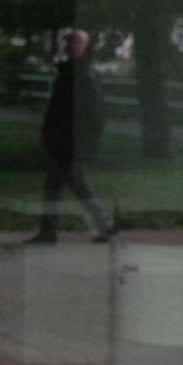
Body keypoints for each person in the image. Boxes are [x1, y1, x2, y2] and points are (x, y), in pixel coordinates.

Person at [28, 29, 115, 243]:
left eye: (75, 43)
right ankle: (102, 225)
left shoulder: (82, 75)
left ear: (85, 47)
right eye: (68, 43)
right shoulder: (72, 73)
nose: (70, 47)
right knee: (69, 186)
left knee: (60, 186)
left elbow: (92, 115)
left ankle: (51, 231)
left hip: (71, 144)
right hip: (65, 142)